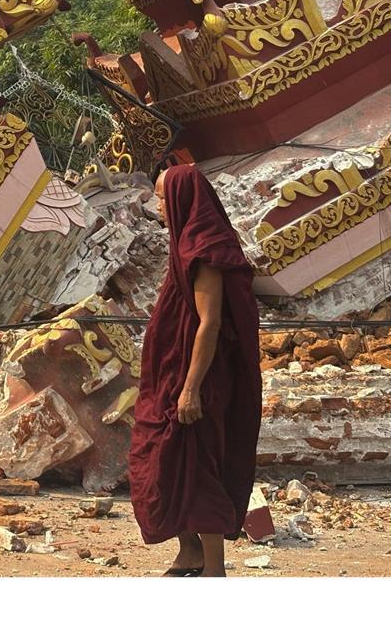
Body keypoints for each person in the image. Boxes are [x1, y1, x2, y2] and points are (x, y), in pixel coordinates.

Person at [128, 164, 263, 577]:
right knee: (162, 459)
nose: (157, 206)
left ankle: (213, 569)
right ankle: (189, 553)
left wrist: (191, 389)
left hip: (197, 377)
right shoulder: (184, 241)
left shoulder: (206, 248)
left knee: (198, 462)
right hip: (170, 373)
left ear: (182, 198)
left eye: (160, 197)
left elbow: (211, 322)